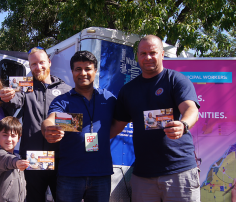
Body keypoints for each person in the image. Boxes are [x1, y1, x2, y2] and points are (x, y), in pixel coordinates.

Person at [110, 35, 200, 201]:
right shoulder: (128, 90)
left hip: (179, 173)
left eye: (153, 52)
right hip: (143, 177)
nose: (148, 57)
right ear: (137, 56)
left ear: (162, 54)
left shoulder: (176, 80)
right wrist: (86, 137)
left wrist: (183, 124)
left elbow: (191, 109)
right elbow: (116, 126)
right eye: (143, 53)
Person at [42, 51, 116, 202]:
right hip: (69, 175)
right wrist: (48, 129)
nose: (83, 73)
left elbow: (121, 120)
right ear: (72, 72)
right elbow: (50, 120)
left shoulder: (108, 98)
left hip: (101, 175)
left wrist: (104, 135)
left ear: (95, 71)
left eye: (88, 69)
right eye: (78, 69)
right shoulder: (62, 101)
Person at [0, 47, 72, 202]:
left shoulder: (66, 90)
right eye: (33, 64)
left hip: (60, 159)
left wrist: (57, 126)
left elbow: (75, 123)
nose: (38, 67)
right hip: (33, 159)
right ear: (30, 66)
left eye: (41, 62)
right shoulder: (25, 84)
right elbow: (14, 99)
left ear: (49, 62)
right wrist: (6, 95)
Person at [0, 116, 29, 202]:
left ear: (19, 138)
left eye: (13, 136)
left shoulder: (18, 157)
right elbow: (6, 159)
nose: (9, 139)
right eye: (5, 135)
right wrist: (17, 162)